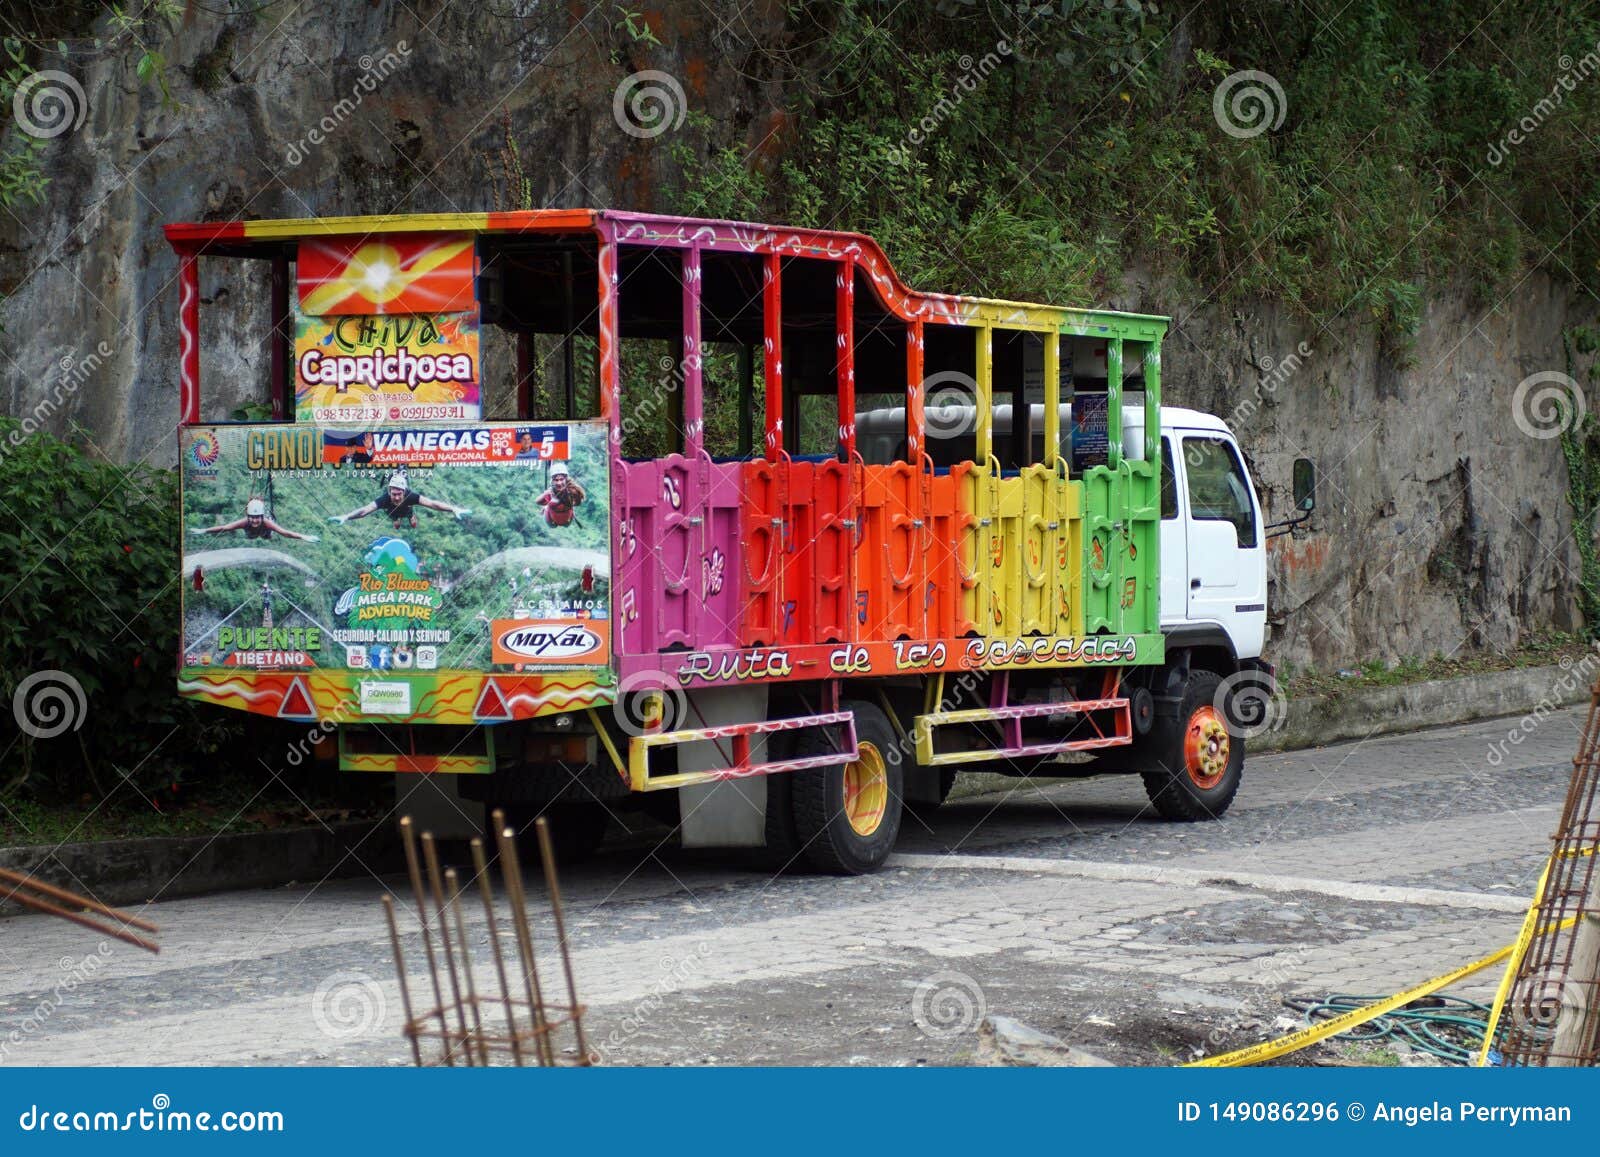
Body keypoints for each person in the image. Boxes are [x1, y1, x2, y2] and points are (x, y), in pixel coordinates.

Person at [329, 470, 472, 527]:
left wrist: (452, 509)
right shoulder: (385, 499)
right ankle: (399, 520)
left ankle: (411, 517)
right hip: (393, 512)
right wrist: (346, 517)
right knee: (396, 523)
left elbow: (433, 504)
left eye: (399, 494)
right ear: (389, 491)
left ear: (404, 492)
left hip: (407, 509)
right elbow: (365, 511)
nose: (396, 497)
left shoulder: (410, 496)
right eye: (394, 494)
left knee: (411, 520)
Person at [191, 497, 318, 541]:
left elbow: (285, 533)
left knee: (268, 534)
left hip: (265, 532)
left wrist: (304, 537)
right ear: (248, 516)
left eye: (257, 518)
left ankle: (267, 531)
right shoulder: (245, 522)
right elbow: (224, 528)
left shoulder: (266, 523)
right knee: (251, 534)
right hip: (251, 534)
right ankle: (258, 533)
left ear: (262, 517)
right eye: (252, 518)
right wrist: (204, 531)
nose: (255, 521)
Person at [536, 463, 585, 527]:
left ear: (566, 479)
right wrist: (545, 494)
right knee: (552, 525)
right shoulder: (550, 492)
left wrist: (571, 503)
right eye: (556, 480)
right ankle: (546, 508)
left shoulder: (571, 490)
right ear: (553, 481)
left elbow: (579, 500)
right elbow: (537, 501)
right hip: (552, 519)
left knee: (566, 524)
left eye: (561, 479)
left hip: (566, 519)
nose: (559, 483)